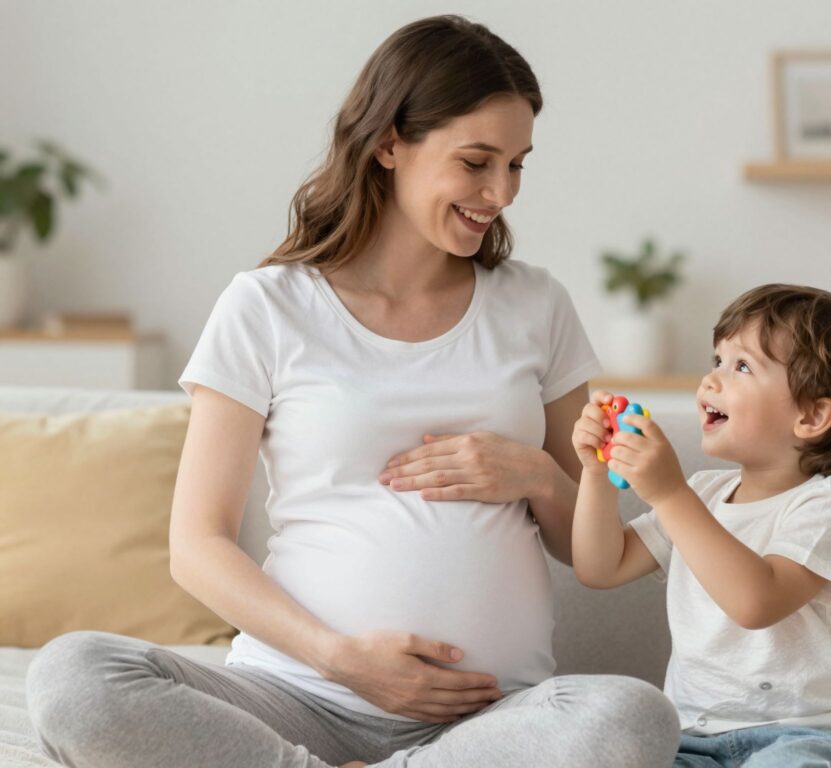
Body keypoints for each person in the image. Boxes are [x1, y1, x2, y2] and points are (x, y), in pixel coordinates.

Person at [26, 14, 679, 768]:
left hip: (490, 719)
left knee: (632, 716)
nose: (501, 192)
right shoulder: (267, 305)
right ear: (389, 142)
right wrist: (342, 658)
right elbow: (196, 547)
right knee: (75, 677)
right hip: (297, 697)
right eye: (477, 162)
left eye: (518, 164)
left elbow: (586, 547)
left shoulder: (537, 304)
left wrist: (535, 474)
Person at [571, 284, 831, 768]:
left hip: (810, 736)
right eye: (717, 360)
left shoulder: (828, 510)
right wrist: (597, 472)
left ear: (811, 415)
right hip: (692, 739)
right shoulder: (704, 493)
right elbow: (600, 566)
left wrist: (669, 494)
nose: (711, 380)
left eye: (742, 366)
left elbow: (755, 602)